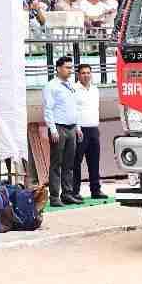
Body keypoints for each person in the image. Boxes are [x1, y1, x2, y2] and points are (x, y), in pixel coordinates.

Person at [43, 56, 83, 206]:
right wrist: (52, 129)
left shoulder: (70, 85)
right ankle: (54, 197)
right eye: (67, 67)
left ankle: (67, 193)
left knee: (69, 163)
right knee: (56, 164)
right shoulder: (51, 86)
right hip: (59, 128)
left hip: (71, 127)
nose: (70, 70)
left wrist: (78, 127)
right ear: (59, 68)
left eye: (71, 67)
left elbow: (74, 108)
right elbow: (48, 109)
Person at [71, 63, 106, 200]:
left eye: (88, 73)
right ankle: (75, 191)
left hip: (93, 129)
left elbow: (95, 109)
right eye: (83, 73)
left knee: (94, 161)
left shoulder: (95, 89)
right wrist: (77, 128)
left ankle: (95, 190)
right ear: (78, 75)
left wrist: (97, 127)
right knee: (76, 162)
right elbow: (73, 110)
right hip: (80, 130)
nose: (86, 75)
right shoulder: (73, 89)